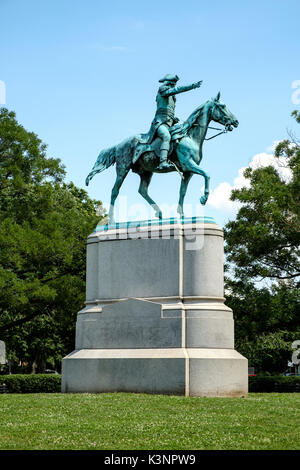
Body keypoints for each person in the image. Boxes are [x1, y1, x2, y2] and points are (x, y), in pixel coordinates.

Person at [148, 74, 203, 170]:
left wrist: (173, 119)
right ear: (168, 82)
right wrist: (192, 86)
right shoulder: (163, 90)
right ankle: (162, 162)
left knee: (180, 135)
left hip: (169, 123)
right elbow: (177, 90)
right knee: (166, 136)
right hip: (160, 123)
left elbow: (168, 110)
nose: (174, 85)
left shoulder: (171, 97)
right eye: (173, 83)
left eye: (174, 84)